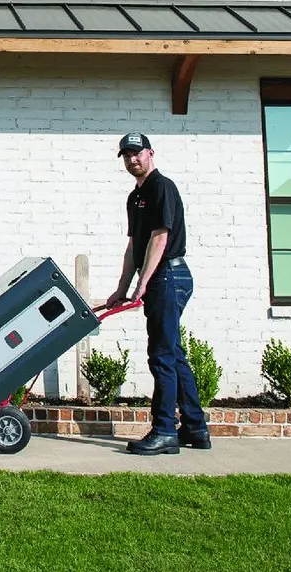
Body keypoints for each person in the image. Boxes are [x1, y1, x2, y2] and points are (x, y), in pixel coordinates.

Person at [105, 132, 210, 455]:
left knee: (161, 356)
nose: (132, 159)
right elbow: (134, 244)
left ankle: (165, 430)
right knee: (173, 354)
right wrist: (120, 290)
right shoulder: (134, 197)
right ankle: (195, 428)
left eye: (137, 153)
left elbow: (160, 238)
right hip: (159, 277)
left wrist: (143, 284)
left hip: (169, 275)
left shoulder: (161, 187)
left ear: (150, 153)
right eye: (126, 155)